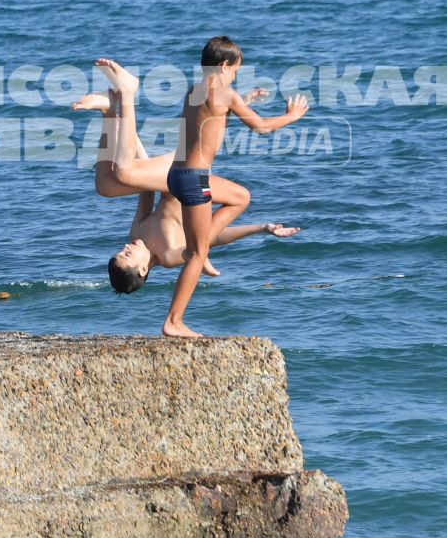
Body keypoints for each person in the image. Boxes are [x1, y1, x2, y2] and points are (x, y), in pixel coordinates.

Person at [76, 57, 301, 318]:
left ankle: (110, 110)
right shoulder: (171, 255)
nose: (126, 247)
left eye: (121, 251)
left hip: (172, 175)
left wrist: (126, 129)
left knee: (106, 185)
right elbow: (210, 238)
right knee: (125, 174)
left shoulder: (137, 232)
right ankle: (123, 96)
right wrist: (261, 229)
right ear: (142, 270)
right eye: (127, 255)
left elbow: (146, 188)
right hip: (187, 179)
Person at [160, 36, 308, 337]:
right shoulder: (226, 95)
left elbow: (208, 116)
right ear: (225, 64)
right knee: (197, 254)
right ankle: (173, 322)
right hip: (194, 178)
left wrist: (244, 100)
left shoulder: (193, 90)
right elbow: (262, 127)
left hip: (176, 175)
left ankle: (204, 244)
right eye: (236, 70)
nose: (236, 76)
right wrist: (292, 116)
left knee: (240, 197)